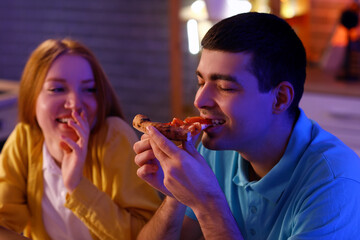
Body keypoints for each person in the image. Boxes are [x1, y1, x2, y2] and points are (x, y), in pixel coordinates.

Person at [133, 12, 360, 239]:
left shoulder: (335, 184)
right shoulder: (213, 147)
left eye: (225, 87)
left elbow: (207, 207)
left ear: (280, 98)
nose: (199, 101)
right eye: (201, 82)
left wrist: (207, 202)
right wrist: (178, 195)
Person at [0, 38, 162, 240]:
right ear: (32, 97)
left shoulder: (114, 136)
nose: (75, 104)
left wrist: (77, 185)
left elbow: (147, 233)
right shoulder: (24, 139)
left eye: (89, 89)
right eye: (57, 89)